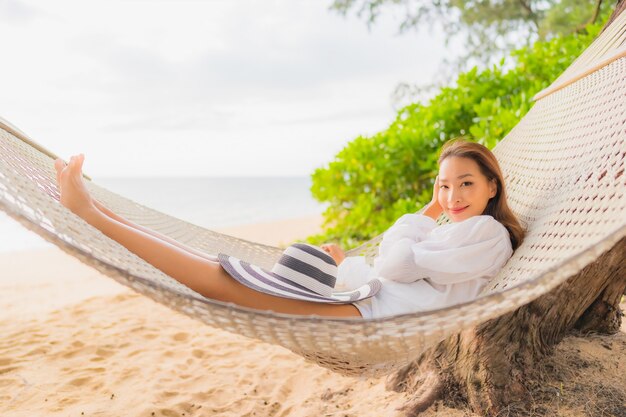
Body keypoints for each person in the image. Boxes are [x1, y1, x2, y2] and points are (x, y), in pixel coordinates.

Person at [54, 138, 525, 319]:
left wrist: (420, 216)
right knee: (222, 269)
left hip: (376, 316)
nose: (452, 196)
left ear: (491, 186)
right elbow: (405, 266)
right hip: (365, 299)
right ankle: (99, 212)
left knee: (219, 280)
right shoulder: (458, 231)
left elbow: (399, 264)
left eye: (466, 184)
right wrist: (351, 264)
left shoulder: (489, 235)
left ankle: (93, 216)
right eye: (443, 187)